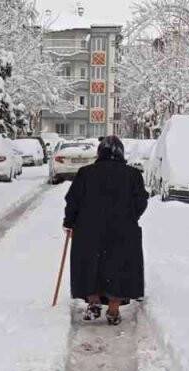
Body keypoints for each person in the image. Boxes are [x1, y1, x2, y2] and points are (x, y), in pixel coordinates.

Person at [62, 135, 149, 326]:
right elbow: (141, 202)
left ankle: (93, 302)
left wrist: (69, 222)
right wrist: (129, 217)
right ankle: (113, 309)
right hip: (122, 230)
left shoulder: (85, 173)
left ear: (100, 152)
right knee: (118, 268)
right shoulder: (133, 175)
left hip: (89, 230)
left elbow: (73, 200)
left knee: (91, 266)